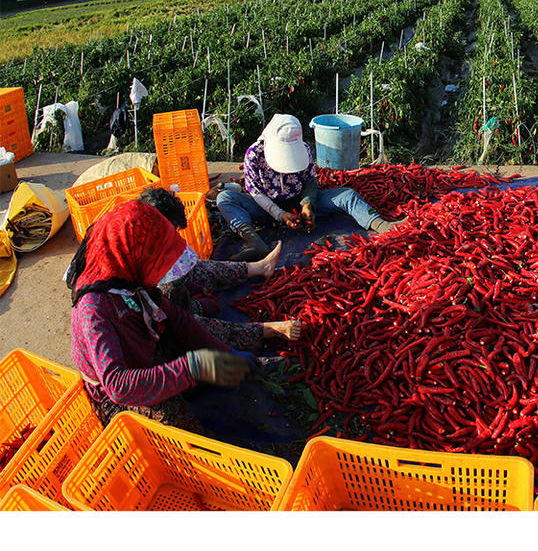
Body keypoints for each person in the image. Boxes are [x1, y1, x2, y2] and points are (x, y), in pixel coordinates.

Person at [70, 199, 257, 431]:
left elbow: (179, 320)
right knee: (182, 428)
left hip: (146, 351)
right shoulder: (94, 308)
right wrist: (192, 367)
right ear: (131, 253)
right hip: (120, 395)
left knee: (184, 319)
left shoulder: (127, 277)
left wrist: (224, 353)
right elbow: (118, 386)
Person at [216, 113, 402, 260]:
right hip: (266, 208)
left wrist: (307, 205)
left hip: (298, 202)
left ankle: (381, 225)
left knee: (347, 195)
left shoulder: (303, 149)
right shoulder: (254, 155)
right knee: (224, 197)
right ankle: (254, 242)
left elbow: (310, 181)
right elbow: (255, 192)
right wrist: (279, 214)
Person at [137, 186, 300, 351]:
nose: (174, 236)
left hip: (167, 306)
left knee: (201, 288)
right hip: (152, 330)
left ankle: (259, 268)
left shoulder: (146, 237)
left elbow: (189, 267)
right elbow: (177, 322)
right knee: (194, 325)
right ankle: (265, 331)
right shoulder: (147, 275)